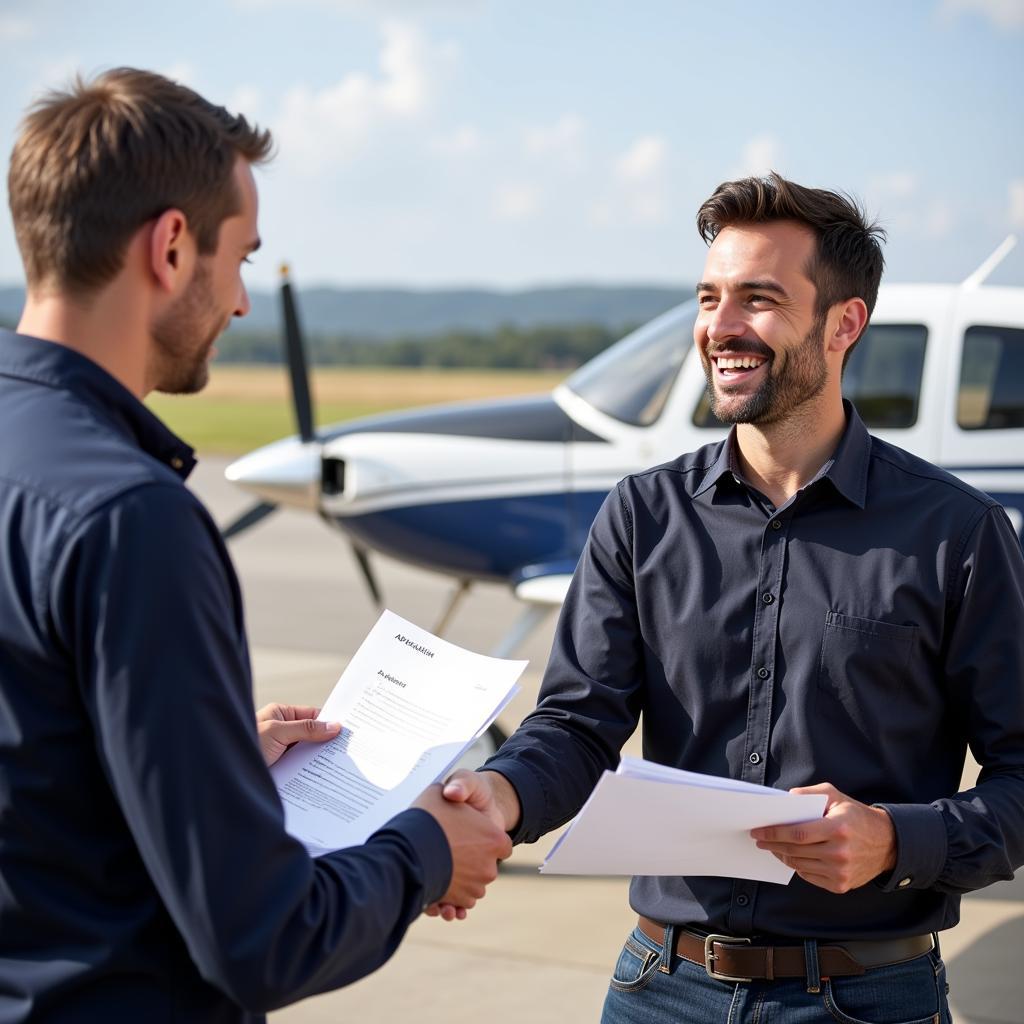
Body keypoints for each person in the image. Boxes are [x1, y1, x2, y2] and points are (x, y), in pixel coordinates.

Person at [441, 173, 1024, 1022]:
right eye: (710, 297)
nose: (720, 327)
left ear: (843, 325)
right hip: (656, 988)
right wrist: (498, 796)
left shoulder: (958, 533)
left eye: (759, 299)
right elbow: (574, 726)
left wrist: (897, 839)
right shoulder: (641, 515)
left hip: (866, 998)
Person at [0, 68, 511, 1023]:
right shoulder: (130, 518)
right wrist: (427, 847)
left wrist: (212, 753)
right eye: (242, 257)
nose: (239, 302)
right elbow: (264, 938)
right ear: (171, 245)